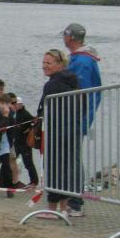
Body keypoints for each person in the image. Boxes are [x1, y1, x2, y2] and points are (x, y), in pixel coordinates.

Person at [63, 23, 102, 215]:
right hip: (73, 117)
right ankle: (69, 197)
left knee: (72, 158)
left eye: (64, 35)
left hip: (77, 119)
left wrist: (81, 121)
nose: (63, 38)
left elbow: (82, 94)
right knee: (69, 157)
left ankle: (75, 202)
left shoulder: (83, 61)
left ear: (70, 37)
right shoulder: (77, 58)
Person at [36, 49, 80, 215]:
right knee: (66, 168)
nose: (44, 66)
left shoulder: (52, 84)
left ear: (60, 64)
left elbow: (44, 109)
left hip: (56, 131)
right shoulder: (74, 81)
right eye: (43, 62)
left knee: (53, 168)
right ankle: (63, 207)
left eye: (48, 63)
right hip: (72, 130)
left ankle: (51, 210)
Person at [9, 94, 38, 187]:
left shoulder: (25, 113)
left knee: (28, 163)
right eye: (14, 104)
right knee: (11, 160)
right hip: (17, 142)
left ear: (21, 104)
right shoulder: (15, 114)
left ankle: (34, 182)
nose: (15, 106)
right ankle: (8, 179)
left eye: (17, 104)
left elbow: (35, 121)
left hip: (25, 143)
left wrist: (29, 129)